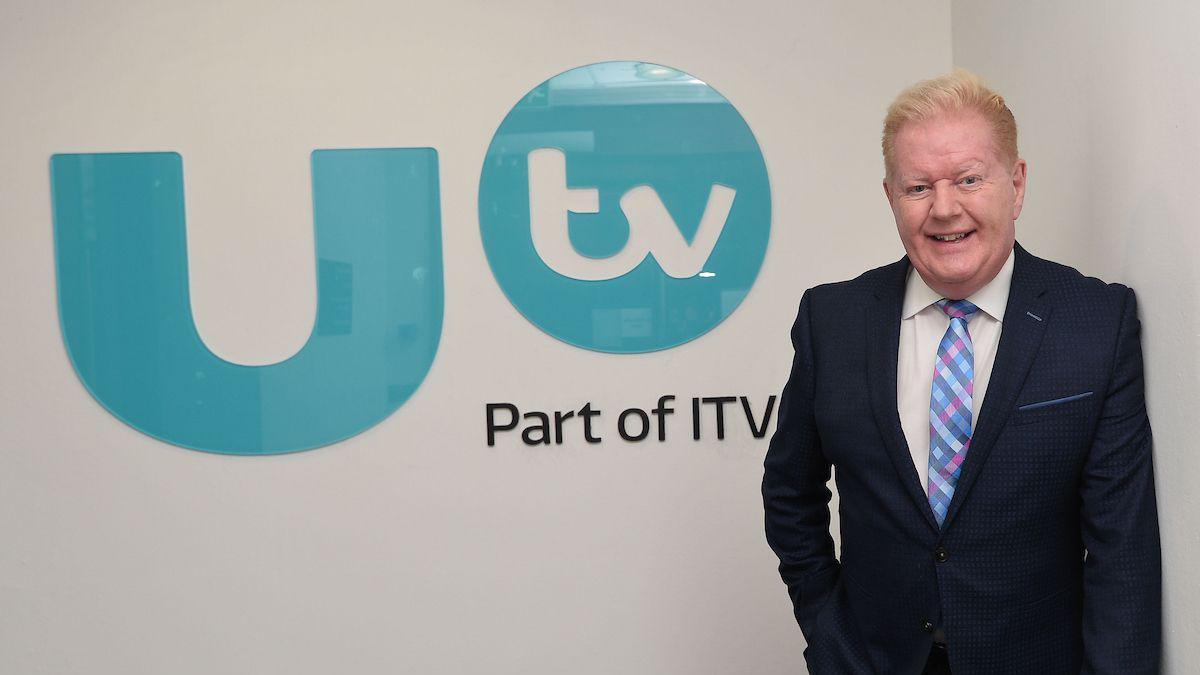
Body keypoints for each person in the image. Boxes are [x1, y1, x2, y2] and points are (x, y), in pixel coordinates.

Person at [761, 70, 1161, 674]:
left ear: (1017, 184)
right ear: (891, 197)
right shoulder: (832, 321)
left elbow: (1121, 547)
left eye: (970, 179)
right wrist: (825, 626)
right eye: (918, 187)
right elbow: (790, 492)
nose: (945, 209)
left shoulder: (1096, 323)